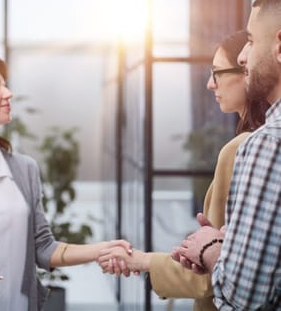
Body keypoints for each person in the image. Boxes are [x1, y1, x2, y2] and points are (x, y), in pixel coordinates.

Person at [0, 52, 133, 311]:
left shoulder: (24, 170)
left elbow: (44, 248)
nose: (8, 93)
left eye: (5, 84)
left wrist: (102, 249)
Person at [96, 30, 269, 311]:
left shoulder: (241, 149)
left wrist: (142, 260)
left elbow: (215, 269)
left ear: (246, 70)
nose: (210, 84)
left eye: (217, 72)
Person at [171, 0, 281, 310]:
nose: (245, 57)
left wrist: (209, 247)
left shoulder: (265, 145)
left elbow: (246, 296)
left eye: (250, 41)